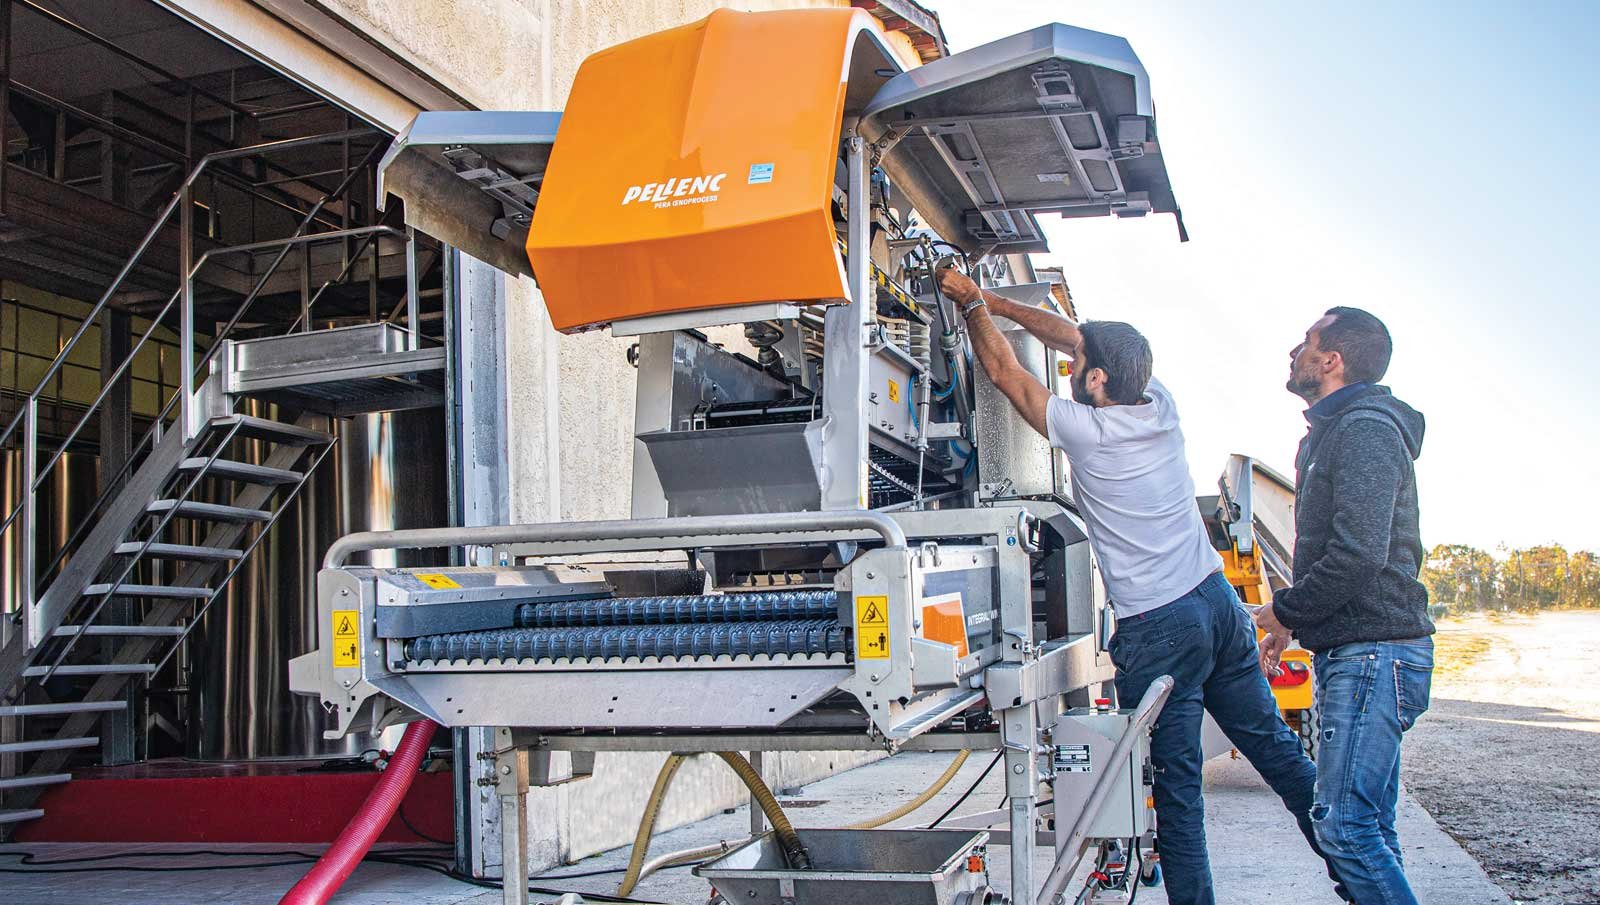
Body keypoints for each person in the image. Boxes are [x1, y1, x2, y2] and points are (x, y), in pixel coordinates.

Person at [936, 267, 1345, 905]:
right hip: (1217, 603)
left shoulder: (1089, 432)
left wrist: (970, 308)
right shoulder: (1158, 403)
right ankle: (1360, 872)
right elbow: (1075, 338)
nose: (1070, 366)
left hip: (1160, 628)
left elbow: (1007, 376)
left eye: (1079, 366)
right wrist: (992, 299)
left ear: (1097, 379)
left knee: (1178, 796)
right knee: (1276, 751)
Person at [1255, 307, 1433, 905]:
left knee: (1345, 828)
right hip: (1358, 652)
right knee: (1369, 828)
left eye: (1306, 342)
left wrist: (1285, 610)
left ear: (1331, 360)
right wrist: (1294, 622)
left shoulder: (1365, 430)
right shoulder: (1334, 432)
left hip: (1375, 654)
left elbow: (1358, 555)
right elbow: (1335, 551)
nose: (1294, 351)